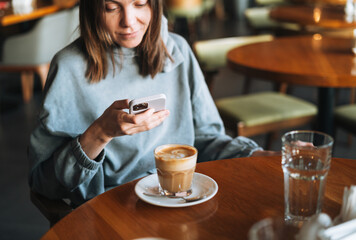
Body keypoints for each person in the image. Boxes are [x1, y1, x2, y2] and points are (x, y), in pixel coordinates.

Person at [28, 0, 272, 207]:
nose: (129, 21)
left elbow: (207, 138)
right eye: (112, 7)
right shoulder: (69, 67)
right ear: (92, 9)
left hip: (179, 200)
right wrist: (100, 133)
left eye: (140, 3)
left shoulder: (178, 51)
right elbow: (45, 183)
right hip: (108, 208)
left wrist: (255, 155)